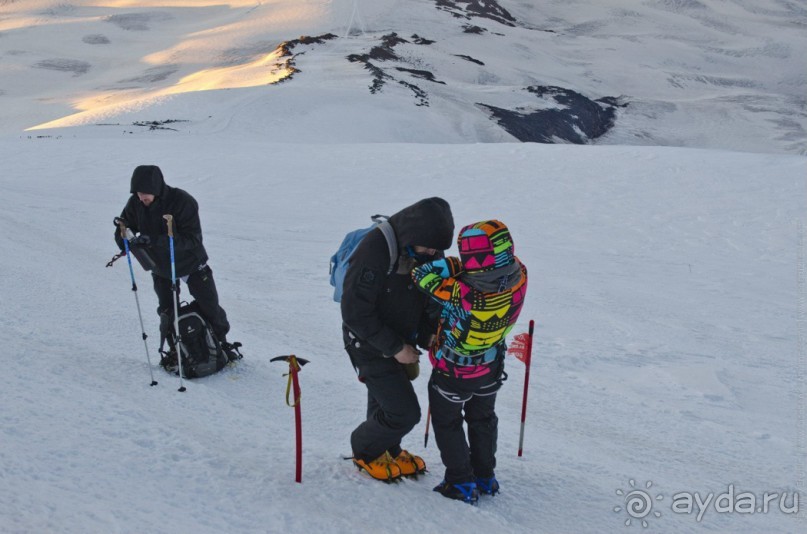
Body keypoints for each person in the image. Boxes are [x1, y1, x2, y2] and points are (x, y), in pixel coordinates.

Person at [411, 220, 528, 503]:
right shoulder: (520, 275)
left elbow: (421, 274)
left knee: (448, 421)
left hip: (453, 370)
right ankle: (485, 476)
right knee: (483, 419)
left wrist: (455, 266)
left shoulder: (460, 291)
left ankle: (460, 481)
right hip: (491, 367)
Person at [341, 197, 454, 482]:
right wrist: (395, 348)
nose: (433, 253)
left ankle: (387, 448)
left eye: (437, 248)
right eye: (429, 246)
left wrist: (428, 332)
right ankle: (365, 450)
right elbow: (354, 311)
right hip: (367, 342)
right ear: (415, 234)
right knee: (404, 412)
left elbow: (431, 295)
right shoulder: (374, 250)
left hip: (400, 336)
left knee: (385, 401)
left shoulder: (429, 251)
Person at [113, 165, 240, 361]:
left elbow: (193, 239)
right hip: (161, 267)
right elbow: (124, 226)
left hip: (191, 263)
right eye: (138, 193)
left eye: (145, 194)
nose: (141, 198)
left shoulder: (182, 201)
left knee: (210, 305)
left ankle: (222, 344)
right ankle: (177, 349)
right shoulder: (135, 203)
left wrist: (154, 240)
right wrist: (127, 241)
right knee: (166, 310)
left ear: (156, 188)